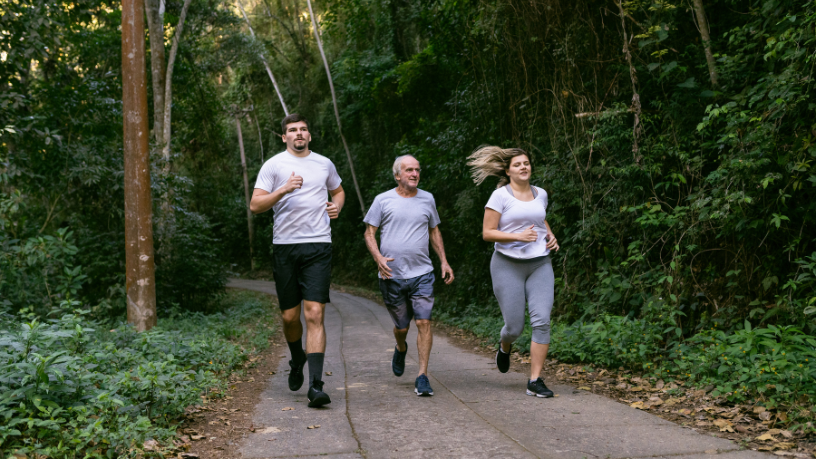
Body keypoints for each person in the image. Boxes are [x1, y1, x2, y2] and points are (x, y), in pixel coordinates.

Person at [250, 113, 345, 408]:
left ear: (310, 136)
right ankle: (296, 357)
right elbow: (255, 205)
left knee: (314, 313)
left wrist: (336, 206)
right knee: (290, 318)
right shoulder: (274, 165)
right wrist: (283, 189)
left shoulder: (324, 163)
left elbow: (338, 190)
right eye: (293, 130)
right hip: (285, 248)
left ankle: (316, 386)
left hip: (318, 245)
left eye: (303, 129)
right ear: (284, 137)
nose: (299, 133)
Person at [466, 145, 560, 398]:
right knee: (515, 327)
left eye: (527, 163)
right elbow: (488, 233)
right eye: (518, 164)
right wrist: (517, 236)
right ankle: (505, 344)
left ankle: (535, 380)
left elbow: (540, 219)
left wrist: (549, 234)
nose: (524, 167)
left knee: (542, 320)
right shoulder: (500, 196)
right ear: (508, 171)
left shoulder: (540, 193)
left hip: (540, 263)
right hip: (507, 264)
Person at [363, 155, 454, 396]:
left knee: (423, 322)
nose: (414, 174)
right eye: (409, 170)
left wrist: (444, 261)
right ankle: (400, 347)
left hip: (422, 274)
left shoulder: (427, 199)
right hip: (392, 275)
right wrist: (378, 258)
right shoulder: (383, 200)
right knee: (401, 327)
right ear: (397, 175)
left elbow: (434, 231)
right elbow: (369, 233)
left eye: (417, 170)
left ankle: (422, 375)